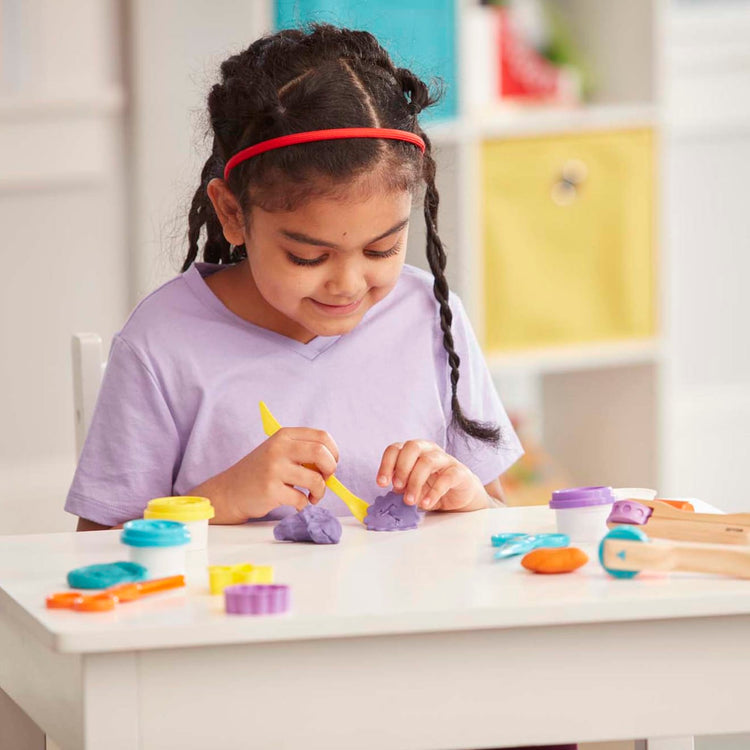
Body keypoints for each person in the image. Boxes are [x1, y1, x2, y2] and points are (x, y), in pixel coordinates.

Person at [66, 24, 524, 532]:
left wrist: (466, 496)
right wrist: (217, 500)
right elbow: (99, 551)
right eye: (308, 257)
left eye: (382, 248)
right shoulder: (162, 342)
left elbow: (497, 519)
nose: (348, 284)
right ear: (234, 214)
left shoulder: (431, 316)